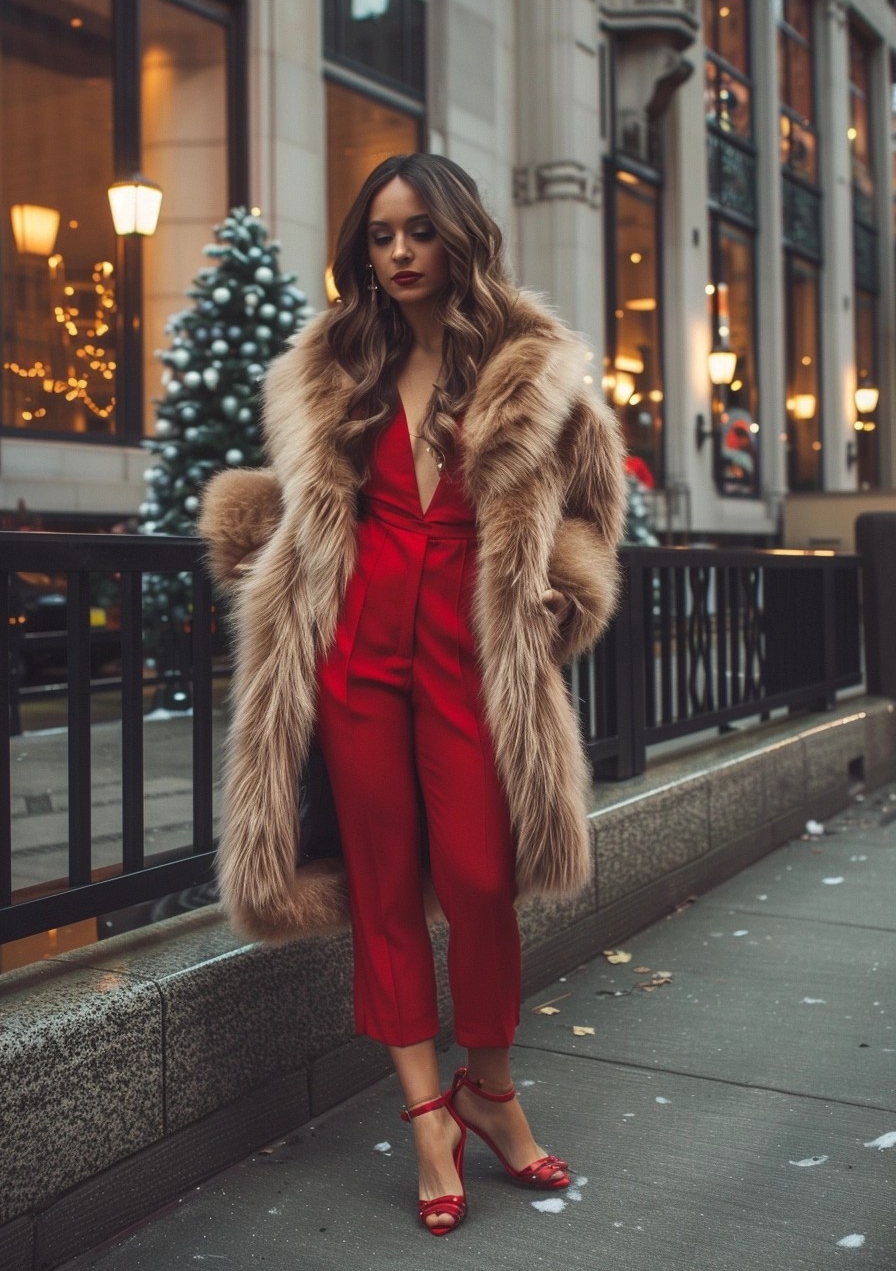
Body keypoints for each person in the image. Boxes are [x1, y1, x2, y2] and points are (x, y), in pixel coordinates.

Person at [199, 153, 625, 1236]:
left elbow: (589, 522)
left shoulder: (535, 371)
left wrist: (552, 599)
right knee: (383, 885)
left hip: (470, 661)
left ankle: (489, 1087)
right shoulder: (329, 369)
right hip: (353, 656)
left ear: (457, 239)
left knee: (480, 875)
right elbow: (287, 512)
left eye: (416, 232)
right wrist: (263, 559)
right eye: (379, 235)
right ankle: (427, 1113)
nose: (395, 253)